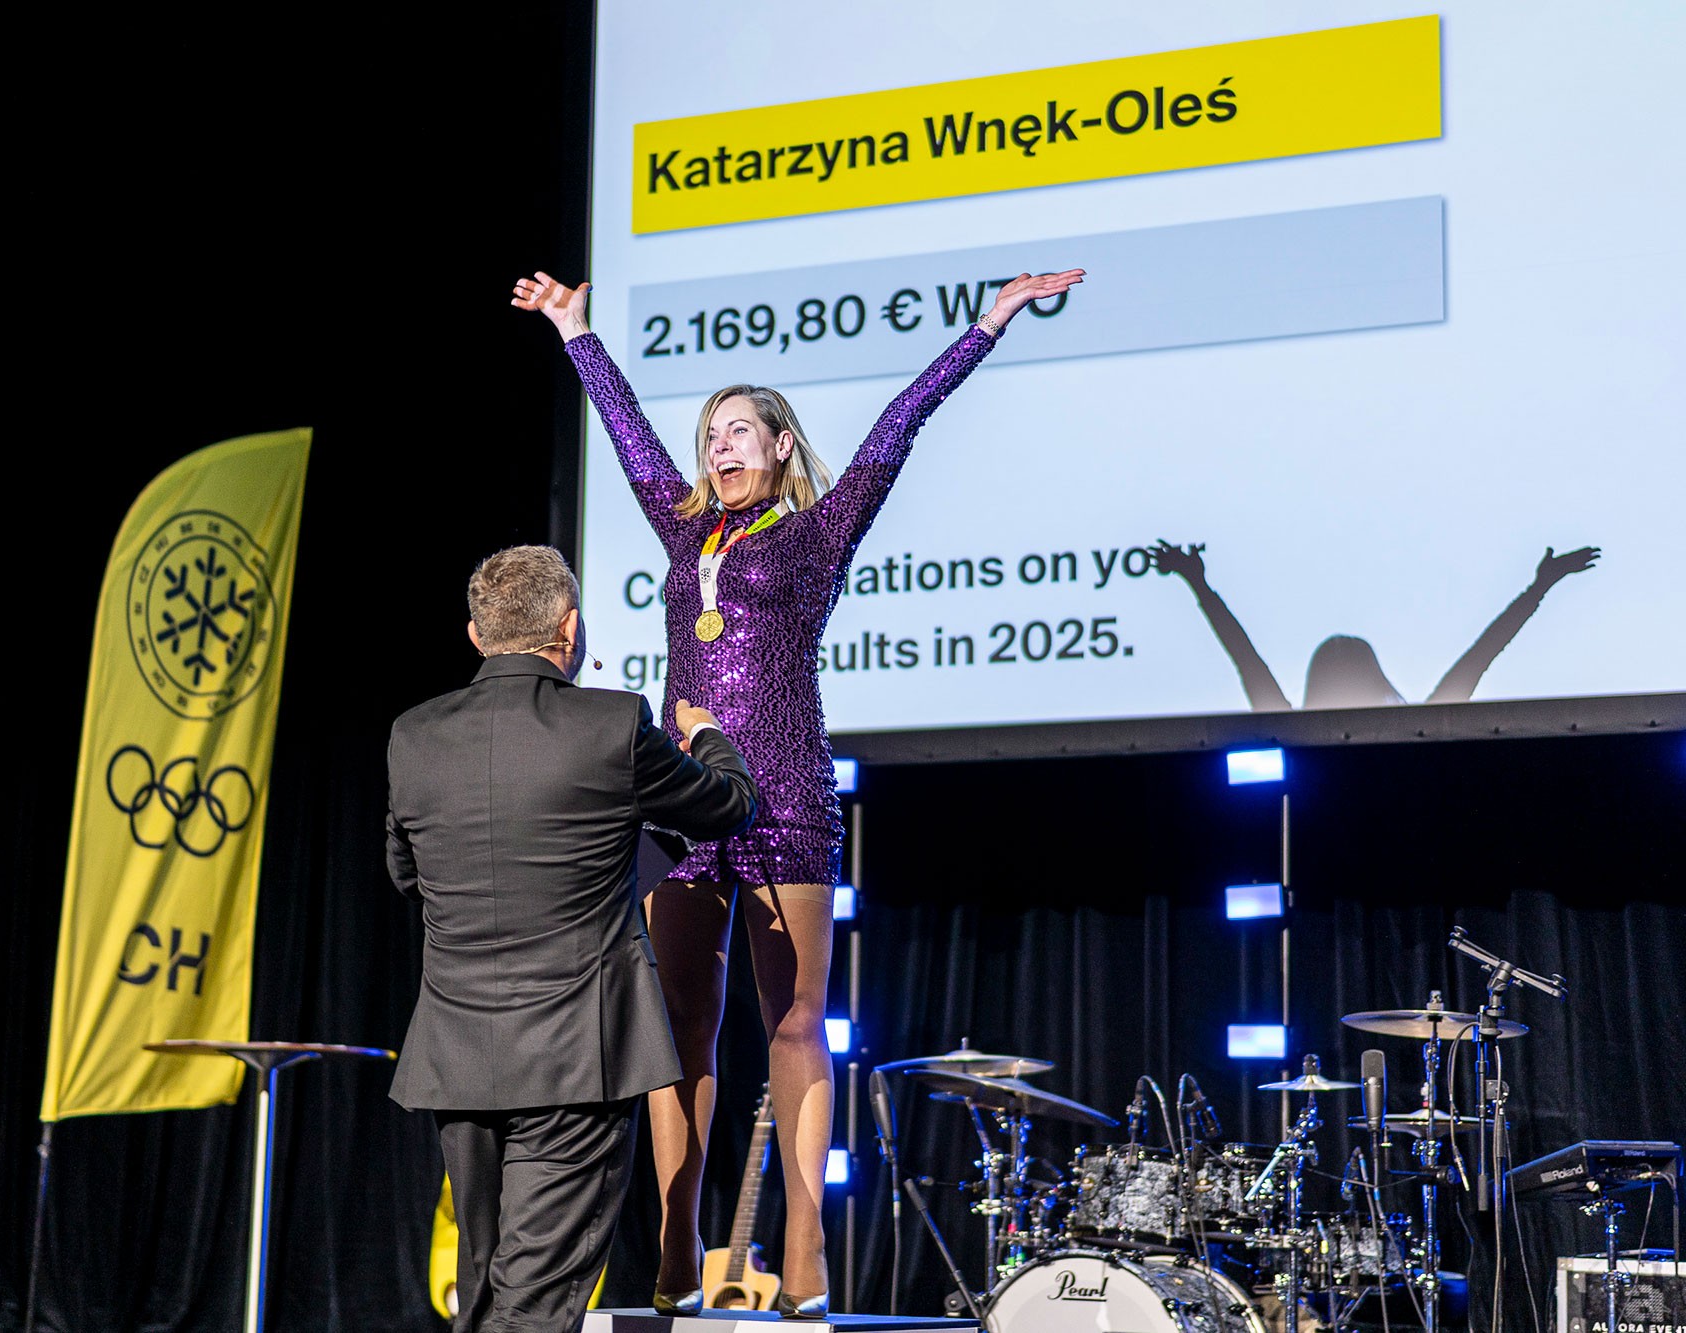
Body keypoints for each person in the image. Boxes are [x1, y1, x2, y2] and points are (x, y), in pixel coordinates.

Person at [515, 265, 1084, 1317]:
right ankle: (679, 1247)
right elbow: (627, 430)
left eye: (742, 431)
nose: (721, 445)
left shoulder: (819, 532)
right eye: (712, 434)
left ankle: (806, 1248)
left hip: (782, 795)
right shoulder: (683, 530)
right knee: (679, 1024)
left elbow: (898, 425)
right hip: (681, 805)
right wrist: (576, 333)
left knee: (792, 1023)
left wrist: (985, 325)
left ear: (779, 446)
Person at [386, 544, 758, 1333]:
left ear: (476, 635)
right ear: (571, 628)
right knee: (532, 1302)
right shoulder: (613, 723)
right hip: (574, 1058)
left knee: (485, 1287)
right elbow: (727, 806)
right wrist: (711, 735)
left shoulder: (413, 736)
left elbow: (407, 874)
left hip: (458, 1061)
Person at [1148, 539, 1601, 709]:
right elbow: (1481, 655)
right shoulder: (1417, 732)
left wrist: (1198, 584)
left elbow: (1245, 657)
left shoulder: (1291, 732)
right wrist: (1541, 585)